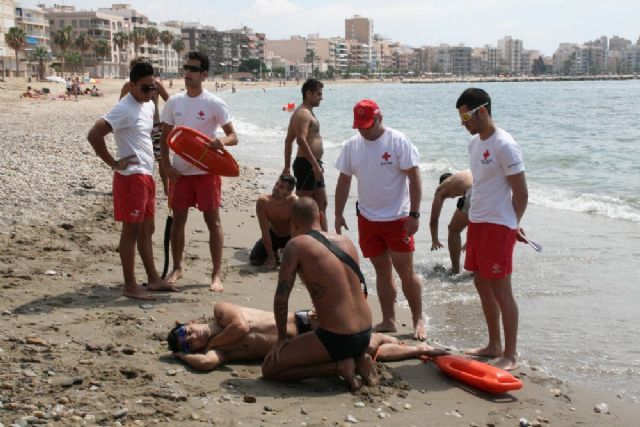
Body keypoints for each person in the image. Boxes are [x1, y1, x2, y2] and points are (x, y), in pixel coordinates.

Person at [262, 198, 377, 391]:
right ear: (321, 216)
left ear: (293, 222)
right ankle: (359, 359)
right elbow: (353, 289)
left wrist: (281, 339)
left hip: (336, 338)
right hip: (366, 333)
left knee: (270, 369)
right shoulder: (346, 241)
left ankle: (339, 367)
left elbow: (281, 298)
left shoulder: (296, 245)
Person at [335, 99, 426, 341]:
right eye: (360, 126)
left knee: (406, 272)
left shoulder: (398, 141)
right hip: (367, 218)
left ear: (379, 118)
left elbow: (415, 178)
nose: (364, 130)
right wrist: (337, 213)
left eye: (368, 125)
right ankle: (389, 320)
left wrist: (415, 214)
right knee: (381, 270)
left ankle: (418, 319)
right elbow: (344, 180)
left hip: (398, 218)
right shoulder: (352, 146)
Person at [455, 88, 528, 371]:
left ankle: (510, 353)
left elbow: (521, 193)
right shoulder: (475, 144)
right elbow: (482, 186)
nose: (463, 123)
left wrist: (513, 225)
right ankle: (493, 344)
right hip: (478, 222)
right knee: (480, 282)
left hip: (499, 226)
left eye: (465, 117)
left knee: (501, 289)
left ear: (481, 111)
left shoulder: (505, 144)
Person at [87, 61, 172, 300]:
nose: (150, 92)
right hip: (131, 178)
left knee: (147, 230)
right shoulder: (124, 108)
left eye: (153, 87)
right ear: (132, 85)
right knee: (131, 232)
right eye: (145, 88)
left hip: (146, 175)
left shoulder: (146, 105)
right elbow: (94, 134)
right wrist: (113, 163)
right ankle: (130, 284)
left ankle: (153, 279)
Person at [167, 301, 445, 371]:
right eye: (188, 342)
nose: (192, 337)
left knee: (356, 338)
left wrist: (210, 344)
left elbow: (240, 327)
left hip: (302, 322)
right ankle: (417, 350)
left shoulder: (221, 312)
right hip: (296, 344)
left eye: (187, 332)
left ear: (191, 322)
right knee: (361, 351)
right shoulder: (223, 352)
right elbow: (208, 364)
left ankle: (382, 337)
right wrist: (182, 356)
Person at [160, 51, 238, 292]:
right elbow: (164, 138)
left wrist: (221, 143)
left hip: (207, 172)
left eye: (193, 69)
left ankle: (216, 274)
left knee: (212, 221)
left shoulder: (214, 103)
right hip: (180, 173)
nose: (188, 73)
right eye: (186, 68)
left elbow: (233, 136)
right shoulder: (174, 102)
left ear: (204, 74)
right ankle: (177, 267)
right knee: (178, 222)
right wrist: (165, 165)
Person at [282, 78, 328, 231]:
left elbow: (288, 141)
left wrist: (287, 167)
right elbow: (299, 140)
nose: (322, 97)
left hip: (313, 164)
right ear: (309, 93)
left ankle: (325, 243)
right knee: (303, 209)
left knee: (322, 205)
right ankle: (297, 245)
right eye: (319, 94)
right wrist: (314, 165)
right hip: (307, 165)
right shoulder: (303, 113)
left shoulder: (306, 112)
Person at [120, 58, 171, 195]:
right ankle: (138, 187)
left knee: (161, 159)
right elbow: (121, 105)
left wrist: (168, 122)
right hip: (136, 127)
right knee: (137, 158)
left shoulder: (156, 84)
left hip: (155, 126)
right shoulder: (128, 86)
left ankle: (166, 188)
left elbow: (170, 102)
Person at [429, 169, 473, 274]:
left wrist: (435, 240)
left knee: (453, 229)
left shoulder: (441, 189)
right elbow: (473, 220)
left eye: (450, 196)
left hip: (474, 192)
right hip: (490, 190)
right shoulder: (463, 177)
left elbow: (434, 219)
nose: (452, 197)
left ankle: (455, 271)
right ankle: (478, 269)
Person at [250, 175, 298, 268]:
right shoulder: (263, 202)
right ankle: (274, 253)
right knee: (255, 259)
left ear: (289, 192)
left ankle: (282, 251)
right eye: (277, 184)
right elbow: (265, 231)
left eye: (281, 187)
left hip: (289, 236)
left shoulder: (294, 202)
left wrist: (290, 256)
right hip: (273, 235)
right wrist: (271, 258)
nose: (276, 188)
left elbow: (294, 232)